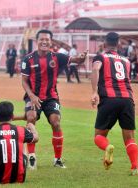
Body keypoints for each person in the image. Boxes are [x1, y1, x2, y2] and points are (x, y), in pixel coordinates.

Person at [20, 29, 87, 169]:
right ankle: (31, 157)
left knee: (55, 123)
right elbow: (24, 81)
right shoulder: (28, 59)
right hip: (33, 97)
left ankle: (57, 159)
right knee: (31, 118)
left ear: (51, 42)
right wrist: (32, 96)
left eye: (47, 40)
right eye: (41, 39)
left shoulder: (58, 57)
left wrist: (82, 57)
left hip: (51, 97)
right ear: (37, 41)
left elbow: (76, 60)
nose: (44, 42)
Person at [90, 32, 138, 176]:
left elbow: (95, 69)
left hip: (109, 100)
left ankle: (108, 146)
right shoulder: (126, 61)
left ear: (105, 44)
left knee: (99, 136)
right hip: (127, 100)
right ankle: (135, 167)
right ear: (118, 44)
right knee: (130, 137)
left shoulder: (101, 57)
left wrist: (94, 92)